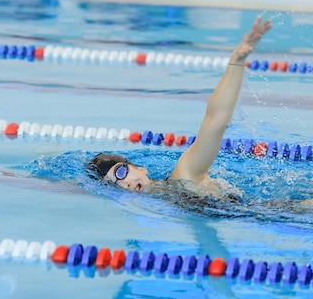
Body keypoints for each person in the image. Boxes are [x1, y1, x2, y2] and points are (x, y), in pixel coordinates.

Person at [86, 16, 273, 199]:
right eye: (114, 184)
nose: (124, 184)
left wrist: (237, 59)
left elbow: (215, 122)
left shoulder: (185, 176)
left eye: (121, 172)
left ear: (140, 168)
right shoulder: (161, 205)